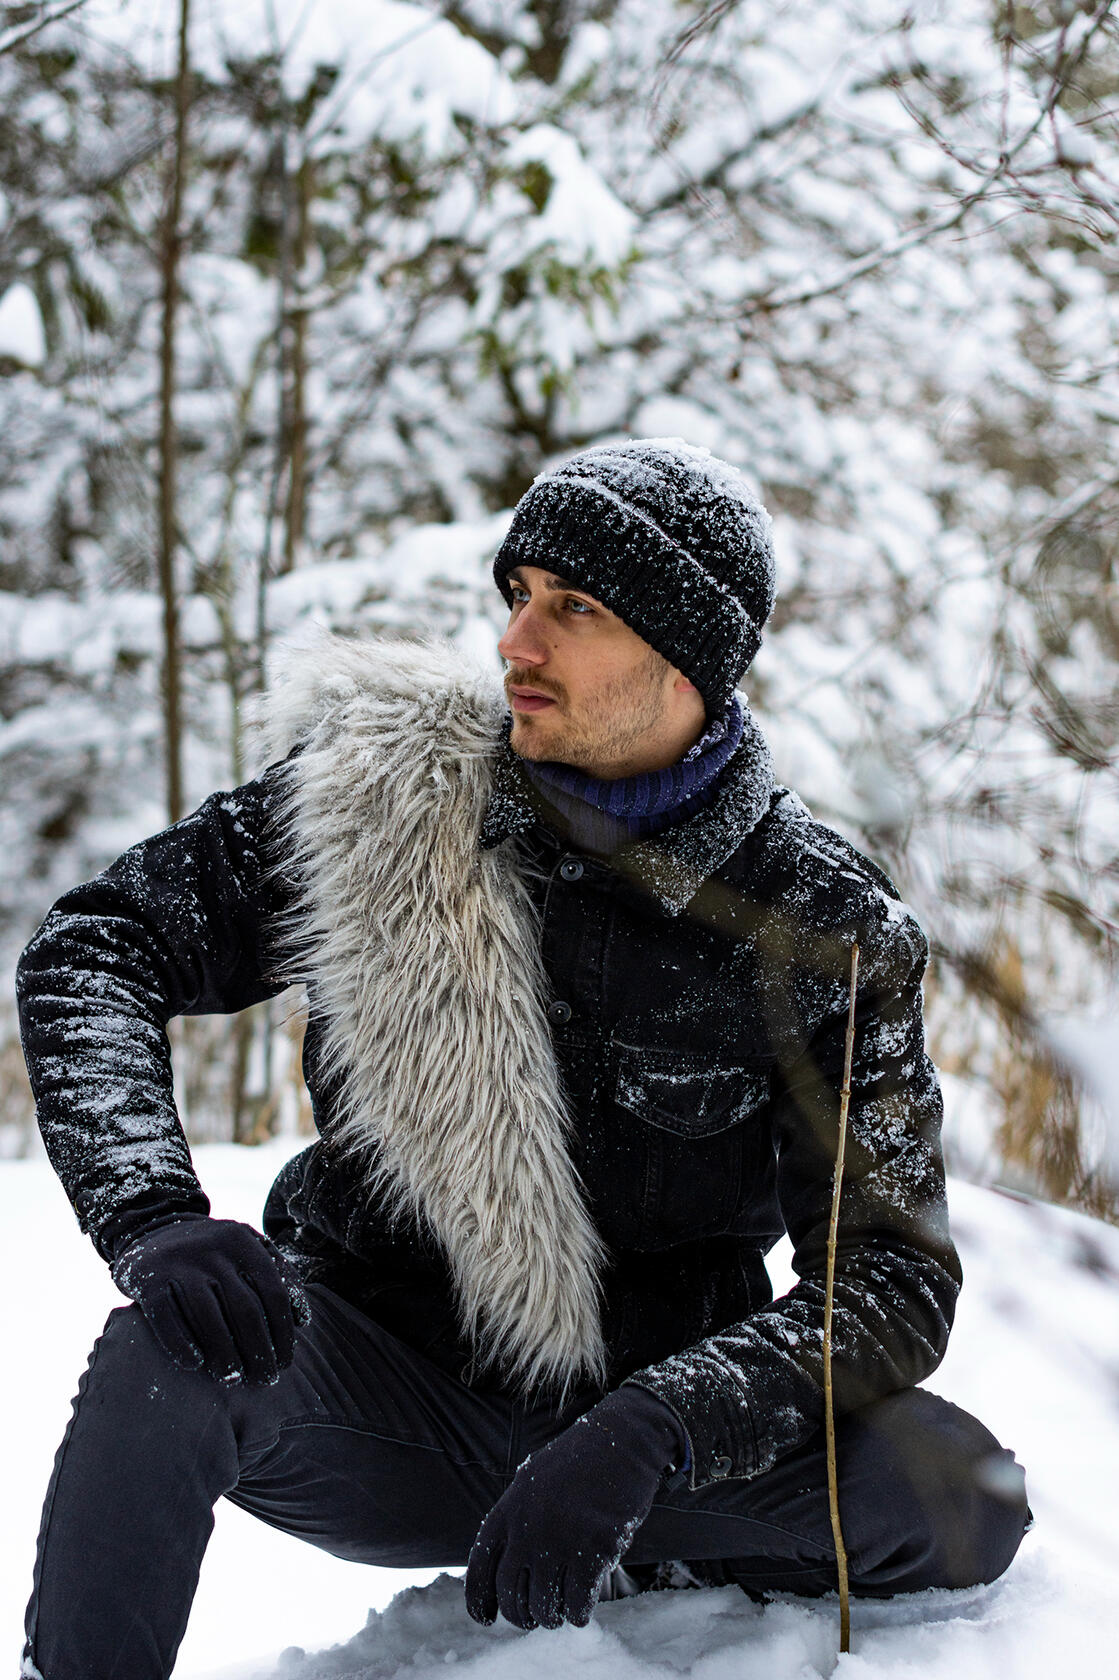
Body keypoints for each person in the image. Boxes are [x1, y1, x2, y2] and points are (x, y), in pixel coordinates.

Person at [16, 439, 1029, 1679]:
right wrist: (153, 1214)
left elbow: (888, 1284)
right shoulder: (378, 797)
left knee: (966, 1500)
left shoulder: (825, 926)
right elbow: (95, 948)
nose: (517, 644)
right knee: (164, 1361)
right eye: (518, 596)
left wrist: (662, 1427)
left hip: (648, 1444)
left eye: (574, 609)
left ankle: (633, 1567)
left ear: (686, 659)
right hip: (388, 1402)